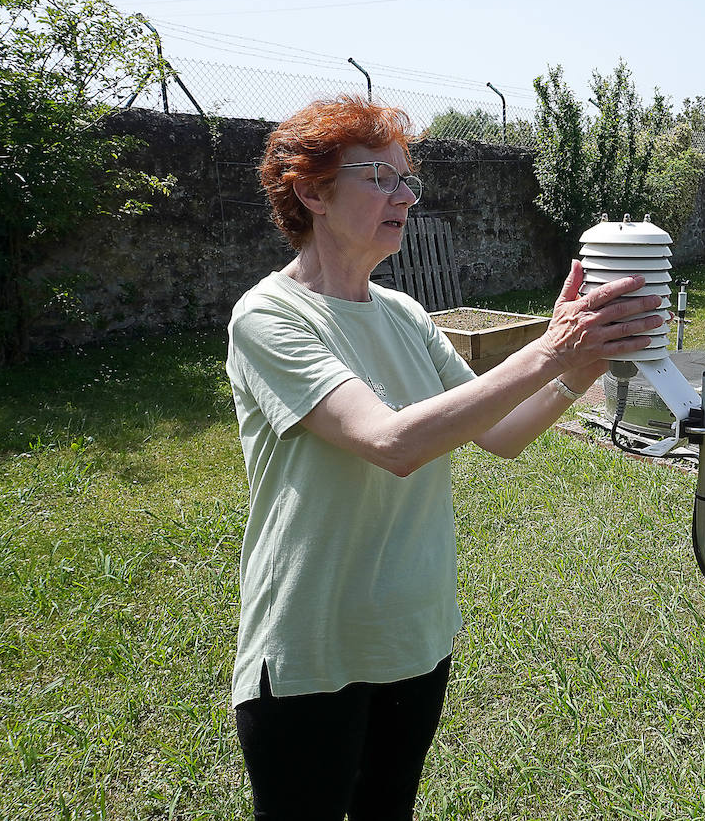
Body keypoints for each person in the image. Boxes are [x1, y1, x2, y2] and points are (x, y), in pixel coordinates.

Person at [225, 95, 663, 820]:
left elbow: (502, 432)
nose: (404, 195)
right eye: (379, 177)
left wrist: (582, 361)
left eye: (406, 179)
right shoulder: (270, 317)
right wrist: (551, 346)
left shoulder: (401, 312)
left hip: (414, 632)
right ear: (311, 191)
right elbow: (393, 443)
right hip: (314, 642)